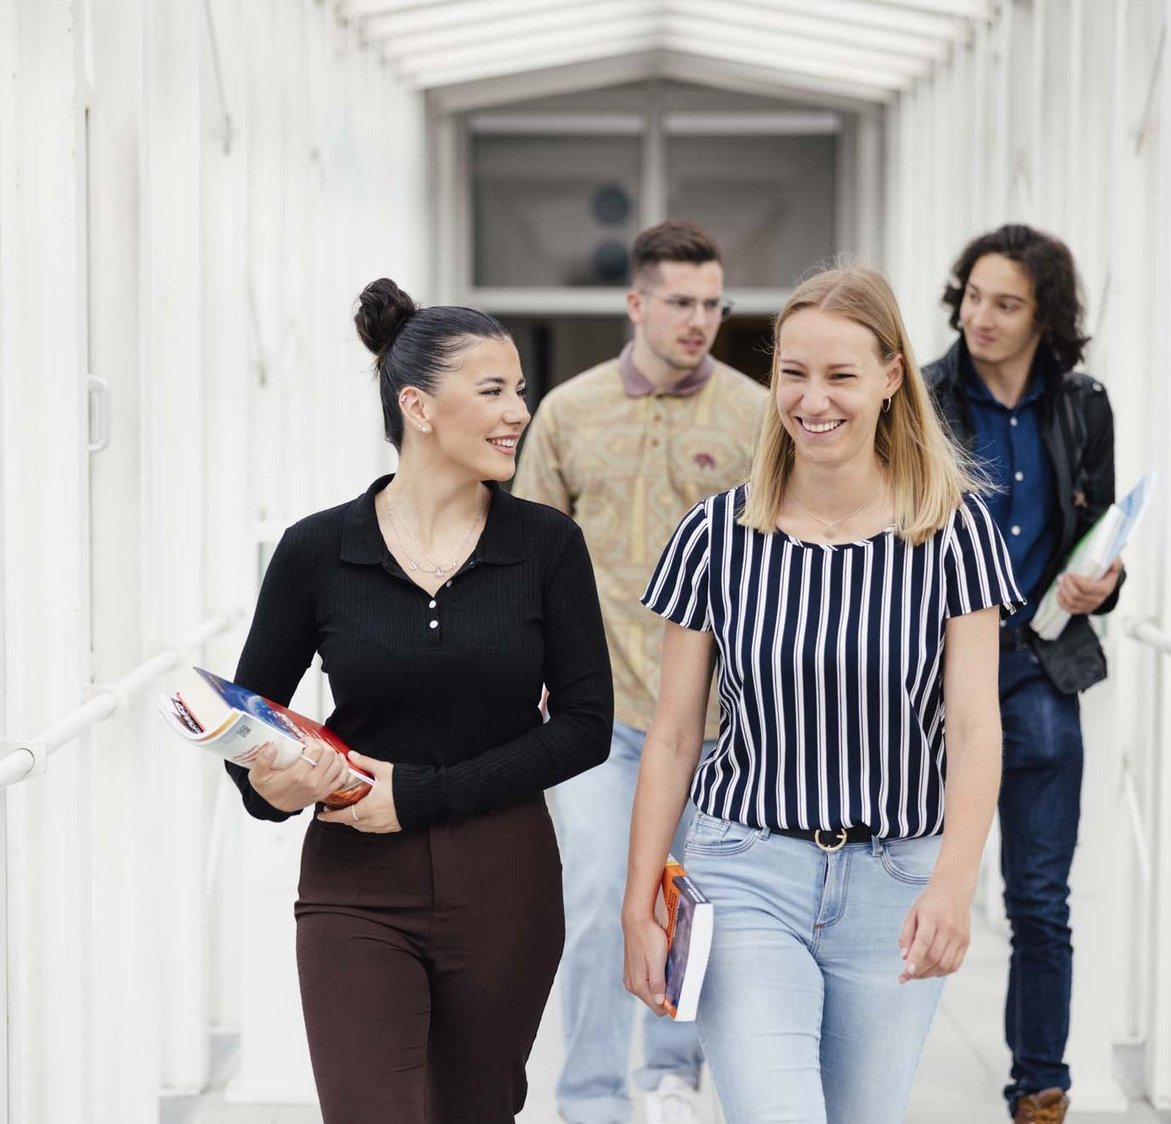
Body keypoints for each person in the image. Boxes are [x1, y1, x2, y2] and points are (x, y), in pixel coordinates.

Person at [623, 265, 1020, 1123]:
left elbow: (977, 730)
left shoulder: (953, 533)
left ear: (890, 378)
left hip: (898, 881)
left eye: (840, 375)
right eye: (793, 374)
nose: (813, 400)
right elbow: (674, 737)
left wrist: (954, 884)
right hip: (745, 869)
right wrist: (638, 904)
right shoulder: (714, 537)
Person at [225, 279, 613, 1124]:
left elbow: (587, 728)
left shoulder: (546, 546)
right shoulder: (316, 551)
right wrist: (271, 784)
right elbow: (251, 724)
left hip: (504, 881)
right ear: (419, 407)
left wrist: (421, 795)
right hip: (353, 887)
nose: (519, 409)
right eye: (494, 391)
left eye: (518, 389)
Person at [512, 220, 766, 1124]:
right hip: (596, 716)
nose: (701, 319)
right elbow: (525, 557)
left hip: (720, 726)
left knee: (693, 906)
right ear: (637, 304)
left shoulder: (755, 414)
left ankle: (670, 1078)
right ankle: (588, 1098)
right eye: (683, 302)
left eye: (713, 302)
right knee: (593, 902)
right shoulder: (568, 412)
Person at [923, 224, 1123, 1124]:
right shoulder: (919, 400)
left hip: (1040, 666)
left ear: (1047, 315)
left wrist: (1103, 579)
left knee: (1040, 897)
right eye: (973, 297)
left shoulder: (1083, 404)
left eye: (1006, 304)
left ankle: (1040, 1083)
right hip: (929, 672)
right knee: (902, 871)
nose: (982, 318)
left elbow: (1101, 531)